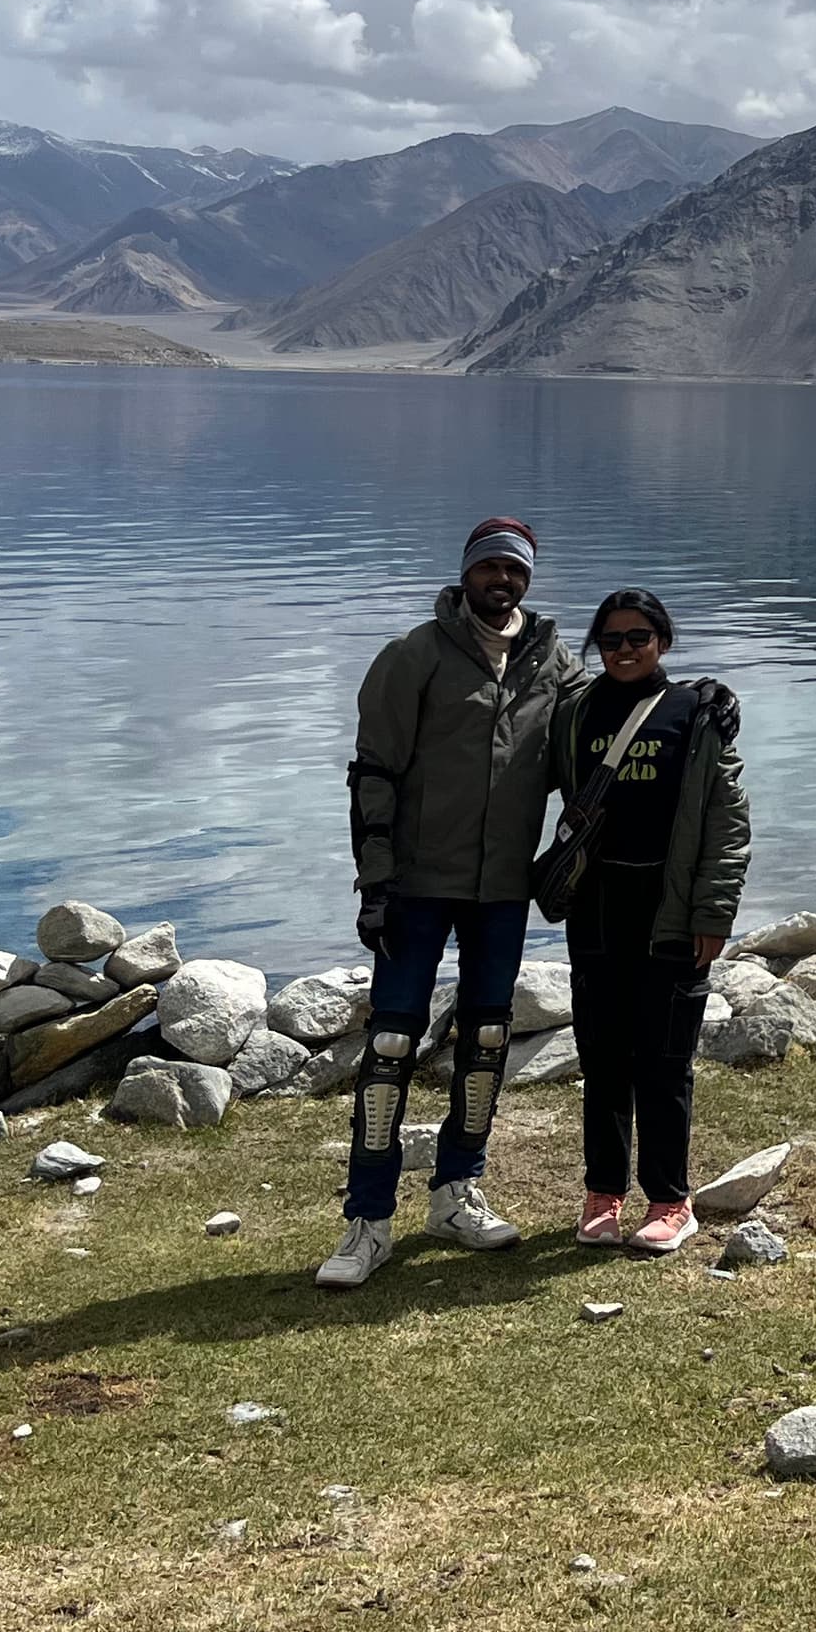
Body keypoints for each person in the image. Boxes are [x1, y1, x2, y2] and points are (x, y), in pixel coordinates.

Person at [318, 516, 578, 1290]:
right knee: (392, 1046)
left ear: (529, 580)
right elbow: (373, 774)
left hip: (502, 888)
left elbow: (602, 737)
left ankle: (456, 1193)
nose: (504, 581)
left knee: (489, 1038)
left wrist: (690, 711)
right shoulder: (413, 657)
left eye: (517, 572)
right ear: (466, 573)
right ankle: (367, 1220)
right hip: (416, 886)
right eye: (492, 568)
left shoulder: (553, 663)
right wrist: (375, 881)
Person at [545, 587, 747, 1255]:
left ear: (663, 639)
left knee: (665, 1062)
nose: (625, 649)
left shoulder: (696, 711)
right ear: (595, 648)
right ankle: (603, 1193)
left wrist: (713, 911)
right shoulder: (574, 712)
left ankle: (669, 1200)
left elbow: (727, 823)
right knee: (603, 1059)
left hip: (670, 912)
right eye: (611, 640)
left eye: (638, 637)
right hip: (596, 911)